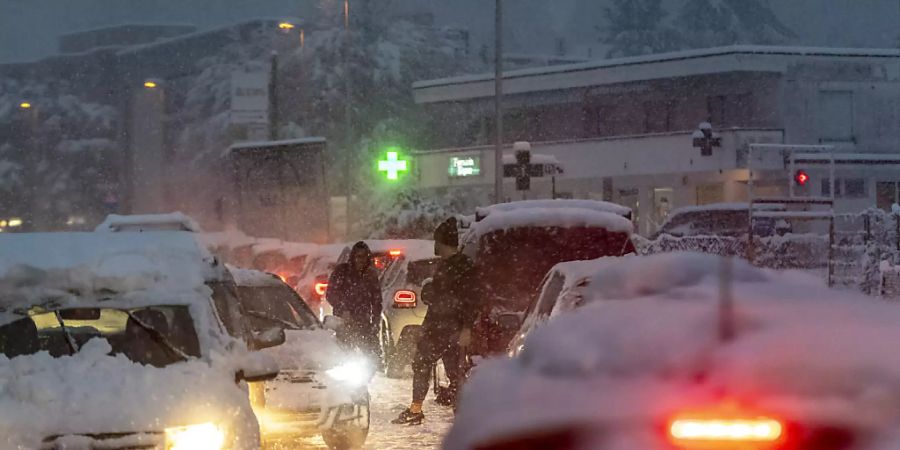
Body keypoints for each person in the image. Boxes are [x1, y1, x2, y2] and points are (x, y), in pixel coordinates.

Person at [392, 217, 476, 425]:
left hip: (449, 327)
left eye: (436, 241)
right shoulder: (449, 265)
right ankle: (423, 409)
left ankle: (458, 414)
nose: (435, 245)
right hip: (439, 327)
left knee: (450, 371)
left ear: (443, 242)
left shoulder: (460, 267)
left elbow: (470, 298)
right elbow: (440, 296)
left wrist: (466, 327)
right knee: (433, 366)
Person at [327, 241, 383, 361]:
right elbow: (331, 294)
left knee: (373, 356)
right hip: (343, 323)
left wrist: (376, 322)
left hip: (363, 322)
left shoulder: (371, 276)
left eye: (364, 257)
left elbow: (377, 301)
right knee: (344, 352)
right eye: (358, 256)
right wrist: (343, 310)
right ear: (353, 257)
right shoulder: (341, 272)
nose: (361, 260)